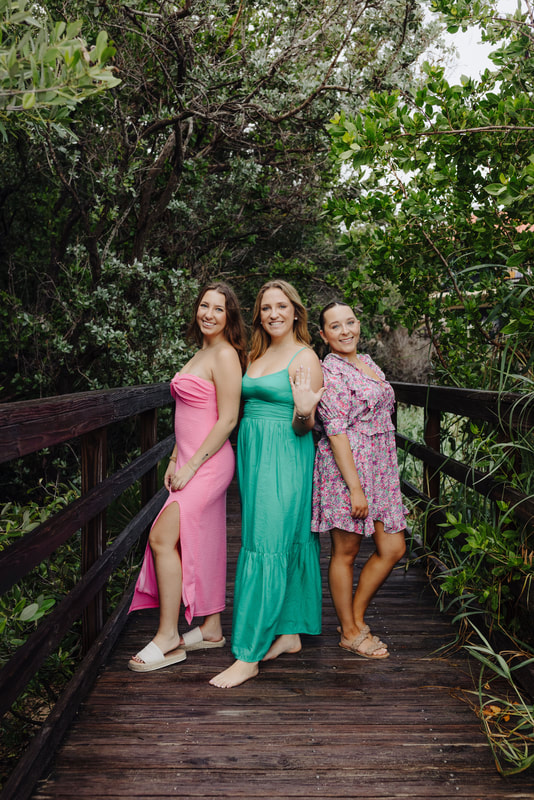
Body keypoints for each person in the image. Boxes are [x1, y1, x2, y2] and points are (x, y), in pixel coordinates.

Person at [210, 279, 324, 688]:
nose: (273, 314)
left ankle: (249, 652)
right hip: (255, 457)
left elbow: (303, 425)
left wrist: (304, 412)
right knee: (280, 540)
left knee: (266, 543)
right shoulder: (257, 352)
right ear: (258, 315)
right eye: (266, 307)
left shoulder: (304, 356)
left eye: (281, 306)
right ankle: (290, 632)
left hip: (285, 457)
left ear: (296, 311)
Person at [128, 282, 247, 672]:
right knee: (203, 537)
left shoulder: (226, 354)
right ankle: (211, 627)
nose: (208, 314)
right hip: (191, 460)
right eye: (203, 306)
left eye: (218, 309)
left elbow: (227, 418)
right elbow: (192, 416)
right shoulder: (202, 351)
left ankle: (168, 637)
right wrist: (175, 458)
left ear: (229, 316)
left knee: (162, 537)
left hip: (210, 464)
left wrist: (192, 464)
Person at [312, 301, 407, 659]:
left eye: (350, 322)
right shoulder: (329, 372)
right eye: (335, 326)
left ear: (358, 324)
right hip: (347, 468)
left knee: (393, 548)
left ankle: (353, 618)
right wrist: (355, 488)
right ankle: (350, 631)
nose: (345, 330)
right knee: (346, 551)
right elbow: (335, 432)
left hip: (380, 466)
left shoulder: (367, 362)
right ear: (323, 334)